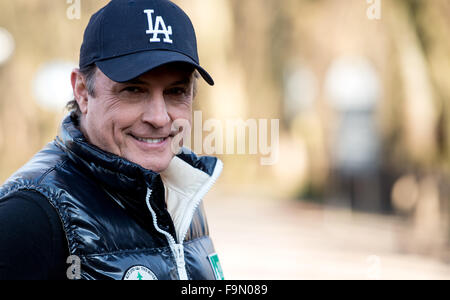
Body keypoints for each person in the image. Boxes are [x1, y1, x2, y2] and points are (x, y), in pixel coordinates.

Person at [0, 0, 224, 280]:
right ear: (82, 92)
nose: (159, 117)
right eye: (133, 89)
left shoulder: (181, 192)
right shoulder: (30, 216)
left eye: (176, 91)